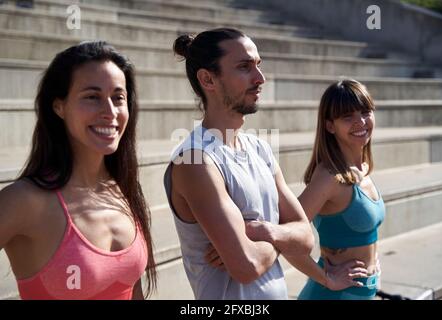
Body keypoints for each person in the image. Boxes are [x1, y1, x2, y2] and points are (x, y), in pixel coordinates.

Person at [163, 28, 314, 300]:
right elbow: (247, 265)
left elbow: (307, 237)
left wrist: (266, 232)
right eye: (244, 67)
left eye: (258, 65)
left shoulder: (260, 148)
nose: (260, 78)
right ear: (208, 79)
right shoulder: (195, 160)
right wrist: (283, 238)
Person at [0, 41, 156, 300]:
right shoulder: (25, 200)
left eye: (118, 97)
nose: (110, 112)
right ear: (59, 106)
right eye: (92, 97)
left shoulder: (122, 188)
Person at [293, 79, 385, 300]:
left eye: (365, 111)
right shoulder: (329, 177)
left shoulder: (362, 168)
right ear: (330, 125)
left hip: (363, 291)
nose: (360, 121)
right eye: (347, 116)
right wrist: (326, 278)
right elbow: (287, 232)